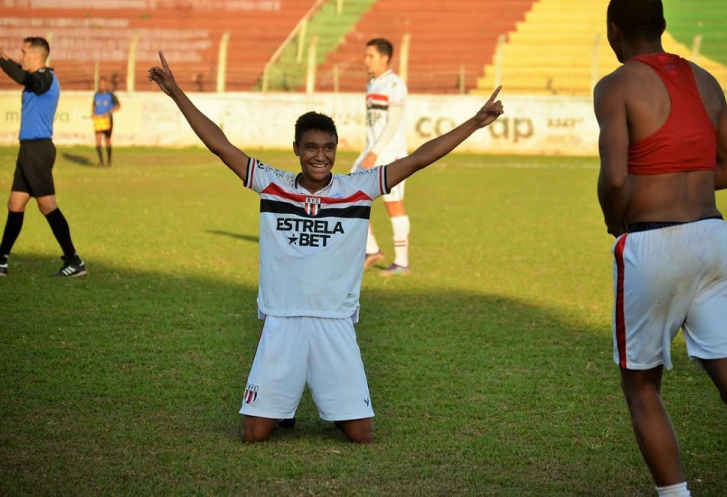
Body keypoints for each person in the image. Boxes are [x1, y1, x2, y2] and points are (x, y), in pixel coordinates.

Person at [148, 52, 503, 443]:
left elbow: (418, 159)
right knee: (253, 435)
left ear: (336, 149)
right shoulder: (272, 183)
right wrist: (176, 92)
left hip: (334, 321)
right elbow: (220, 144)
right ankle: (283, 403)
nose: (321, 156)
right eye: (312, 147)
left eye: (328, 148)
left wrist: (474, 122)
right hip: (282, 319)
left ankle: (327, 398)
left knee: (360, 435)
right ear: (297, 148)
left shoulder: (357, 188)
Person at [593, 1, 727, 495]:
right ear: (662, 26)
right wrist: (685, 183)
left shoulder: (615, 85)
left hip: (653, 243)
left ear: (614, 32)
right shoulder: (705, 79)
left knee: (641, 386)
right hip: (717, 238)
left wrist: (618, 220)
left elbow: (614, 177)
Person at [0, 35, 87, 277]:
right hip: (29, 149)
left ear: (36, 56)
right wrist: (2, 56)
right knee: (15, 203)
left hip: (37, 150)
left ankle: (74, 260)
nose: (20, 56)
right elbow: (22, 73)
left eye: (23, 53)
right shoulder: (39, 78)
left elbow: (24, 77)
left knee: (47, 205)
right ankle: (0, 261)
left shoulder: (46, 78)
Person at [354, 38, 411, 276]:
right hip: (370, 152)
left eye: (371, 56)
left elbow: (393, 123)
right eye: (365, 56)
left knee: (393, 205)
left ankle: (402, 262)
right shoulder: (372, 84)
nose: (366, 60)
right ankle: (372, 250)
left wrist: (375, 153)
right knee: (350, 197)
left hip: (390, 155)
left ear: (385, 58)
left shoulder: (395, 85)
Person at [92, 76, 121, 167]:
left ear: (106, 85)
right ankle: (101, 162)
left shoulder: (110, 95)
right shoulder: (96, 95)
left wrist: (109, 112)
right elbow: (93, 105)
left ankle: (108, 161)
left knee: (107, 140)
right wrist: (93, 113)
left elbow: (118, 106)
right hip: (98, 119)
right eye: (100, 84)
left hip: (107, 120)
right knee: (98, 139)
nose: (101, 86)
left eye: (103, 84)